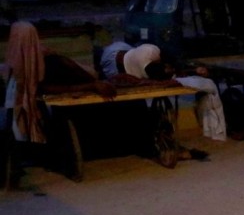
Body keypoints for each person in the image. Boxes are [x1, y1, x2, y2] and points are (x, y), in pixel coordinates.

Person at [4, 21, 115, 145]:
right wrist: (92, 85)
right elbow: (44, 88)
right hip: (29, 115)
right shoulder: (26, 60)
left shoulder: (25, 56)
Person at [97, 40, 227, 140]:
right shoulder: (125, 70)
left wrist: (191, 70)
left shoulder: (149, 52)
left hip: (126, 51)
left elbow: (169, 62)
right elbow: (157, 76)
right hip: (113, 59)